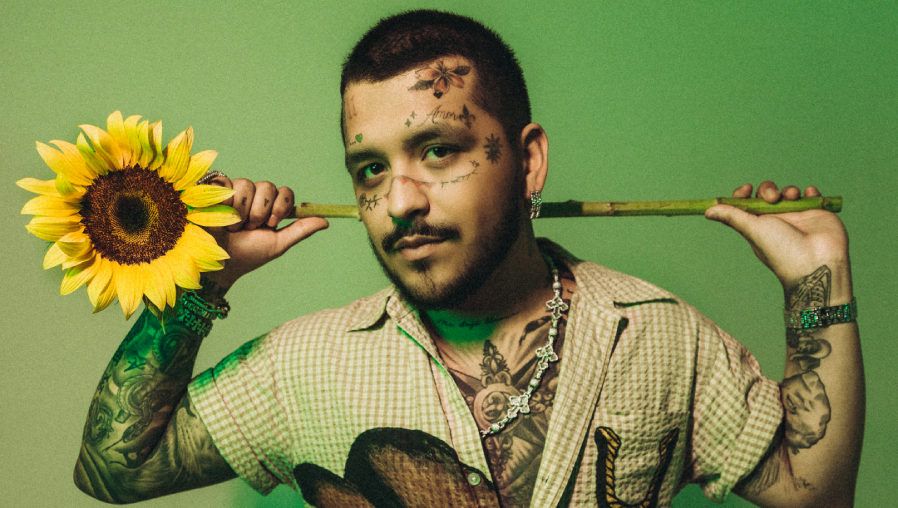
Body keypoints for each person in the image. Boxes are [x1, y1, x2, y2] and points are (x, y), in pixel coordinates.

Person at [73, 10, 863, 508]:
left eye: (438, 150)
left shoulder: (658, 336)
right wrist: (200, 283)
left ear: (529, 162)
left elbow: (814, 493)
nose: (401, 201)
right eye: (370, 168)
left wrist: (815, 282)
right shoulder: (304, 365)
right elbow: (115, 471)